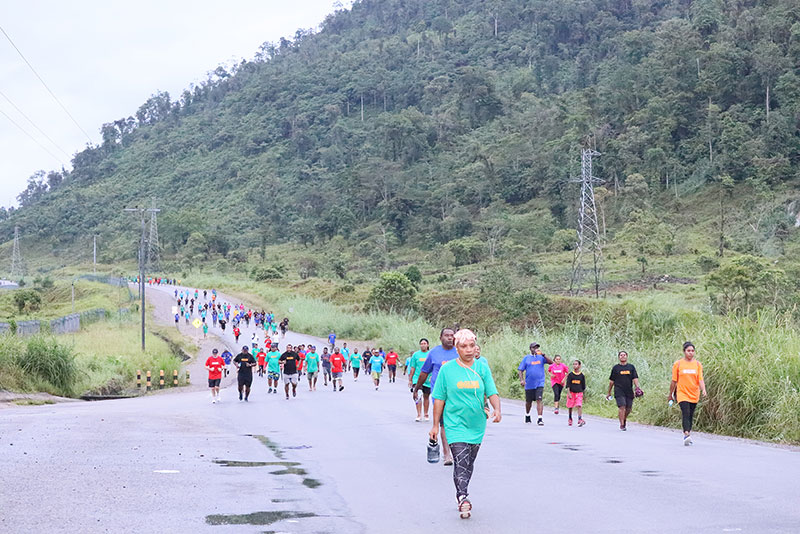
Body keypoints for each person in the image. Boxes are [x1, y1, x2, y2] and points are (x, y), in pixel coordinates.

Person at [429, 328, 501, 520]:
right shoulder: (447, 370)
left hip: (477, 424)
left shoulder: (482, 368)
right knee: (461, 460)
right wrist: (435, 425)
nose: (468, 350)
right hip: (454, 424)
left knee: (469, 462)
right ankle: (463, 497)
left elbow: (491, 391)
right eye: (463, 346)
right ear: (456, 348)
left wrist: (497, 409)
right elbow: (439, 398)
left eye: (471, 345)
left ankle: (462, 491)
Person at [414, 328, 458, 464]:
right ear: (440, 337)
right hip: (440, 395)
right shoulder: (433, 353)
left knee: (457, 424)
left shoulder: (459, 352)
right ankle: (447, 454)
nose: (449, 338)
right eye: (446, 335)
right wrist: (417, 388)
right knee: (444, 424)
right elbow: (424, 372)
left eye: (452, 335)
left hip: (458, 393)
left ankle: (458, 450)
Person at [669, 342, 707, 446]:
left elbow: (700, 379)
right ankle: (686, 434)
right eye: (688, 351)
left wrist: (703, 389)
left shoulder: (698, 364)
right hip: (682, 393)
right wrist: (671, 394)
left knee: (690, 414)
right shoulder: (678, 364)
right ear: (684, 352)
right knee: (685, 412)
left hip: (694, 393)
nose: (690, 353)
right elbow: (674, 381)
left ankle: (688, 433)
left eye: (692, 351)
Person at [518, 343, 553, 425]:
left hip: (539, 382)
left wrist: (544, 355)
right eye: (534, 347)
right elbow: (520, 370)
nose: (536, 349)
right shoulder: (526, 358)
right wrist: (522, 380)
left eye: (537, 347)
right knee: (528, 401)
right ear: (530, 348)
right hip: (529, 383)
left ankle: (540, 418)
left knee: (539, 400)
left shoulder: (541, 357)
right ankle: (527, 415)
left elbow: (551, 362)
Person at [606, 351, 641, 431]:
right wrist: (609, 392)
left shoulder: (631, 367)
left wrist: (637, 387)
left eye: (624, 355)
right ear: (619, 357)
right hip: (619, 390)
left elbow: (635, 378)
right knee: (622, 406)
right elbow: (611, 381)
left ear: (627, 356)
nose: (622, 356)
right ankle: (622, 424)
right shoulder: (615, 368)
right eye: (621, 355)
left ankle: (624, 418)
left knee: (629, 408)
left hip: (629, 390)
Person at [408, 338, 431, 422]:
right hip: (417, 378)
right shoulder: (416, 355)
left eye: (425, 343)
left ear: (428, 345)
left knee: (426, 396)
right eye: (421, 344)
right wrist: (410, 379)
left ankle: (426, 413)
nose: (423, 345)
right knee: (418, 396)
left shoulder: (430, 354)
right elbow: (413, 368)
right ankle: (418, 414)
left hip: (428, 379)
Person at [566, 360, 586, 427]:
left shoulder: (582, 375)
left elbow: (583, 386)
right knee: (570, 406)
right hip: (571, 392)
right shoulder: (570, 375)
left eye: (576, 364)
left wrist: (583, 395)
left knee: (579, 405)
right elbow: (568, 385)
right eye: (574, 364)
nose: (574, 365)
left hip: (579, 393)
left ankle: (580, 419)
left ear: (579, 366)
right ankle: (570, 418)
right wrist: (569, 393)